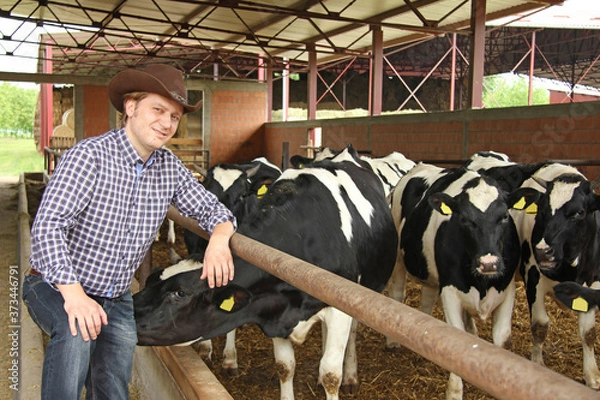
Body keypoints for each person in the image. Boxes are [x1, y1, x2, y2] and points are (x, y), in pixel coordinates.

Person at [22, 64, 236, 400]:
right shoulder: (88, 157)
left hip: (116, 295)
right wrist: (75, 296)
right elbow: (48, 226)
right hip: (53, 283)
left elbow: (214, 210)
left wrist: (220, 240)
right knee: (75, 331)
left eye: (175, 116)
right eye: (158, 110)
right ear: (131, 107)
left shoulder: (169, 168)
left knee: (113, 389)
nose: (167, 123)